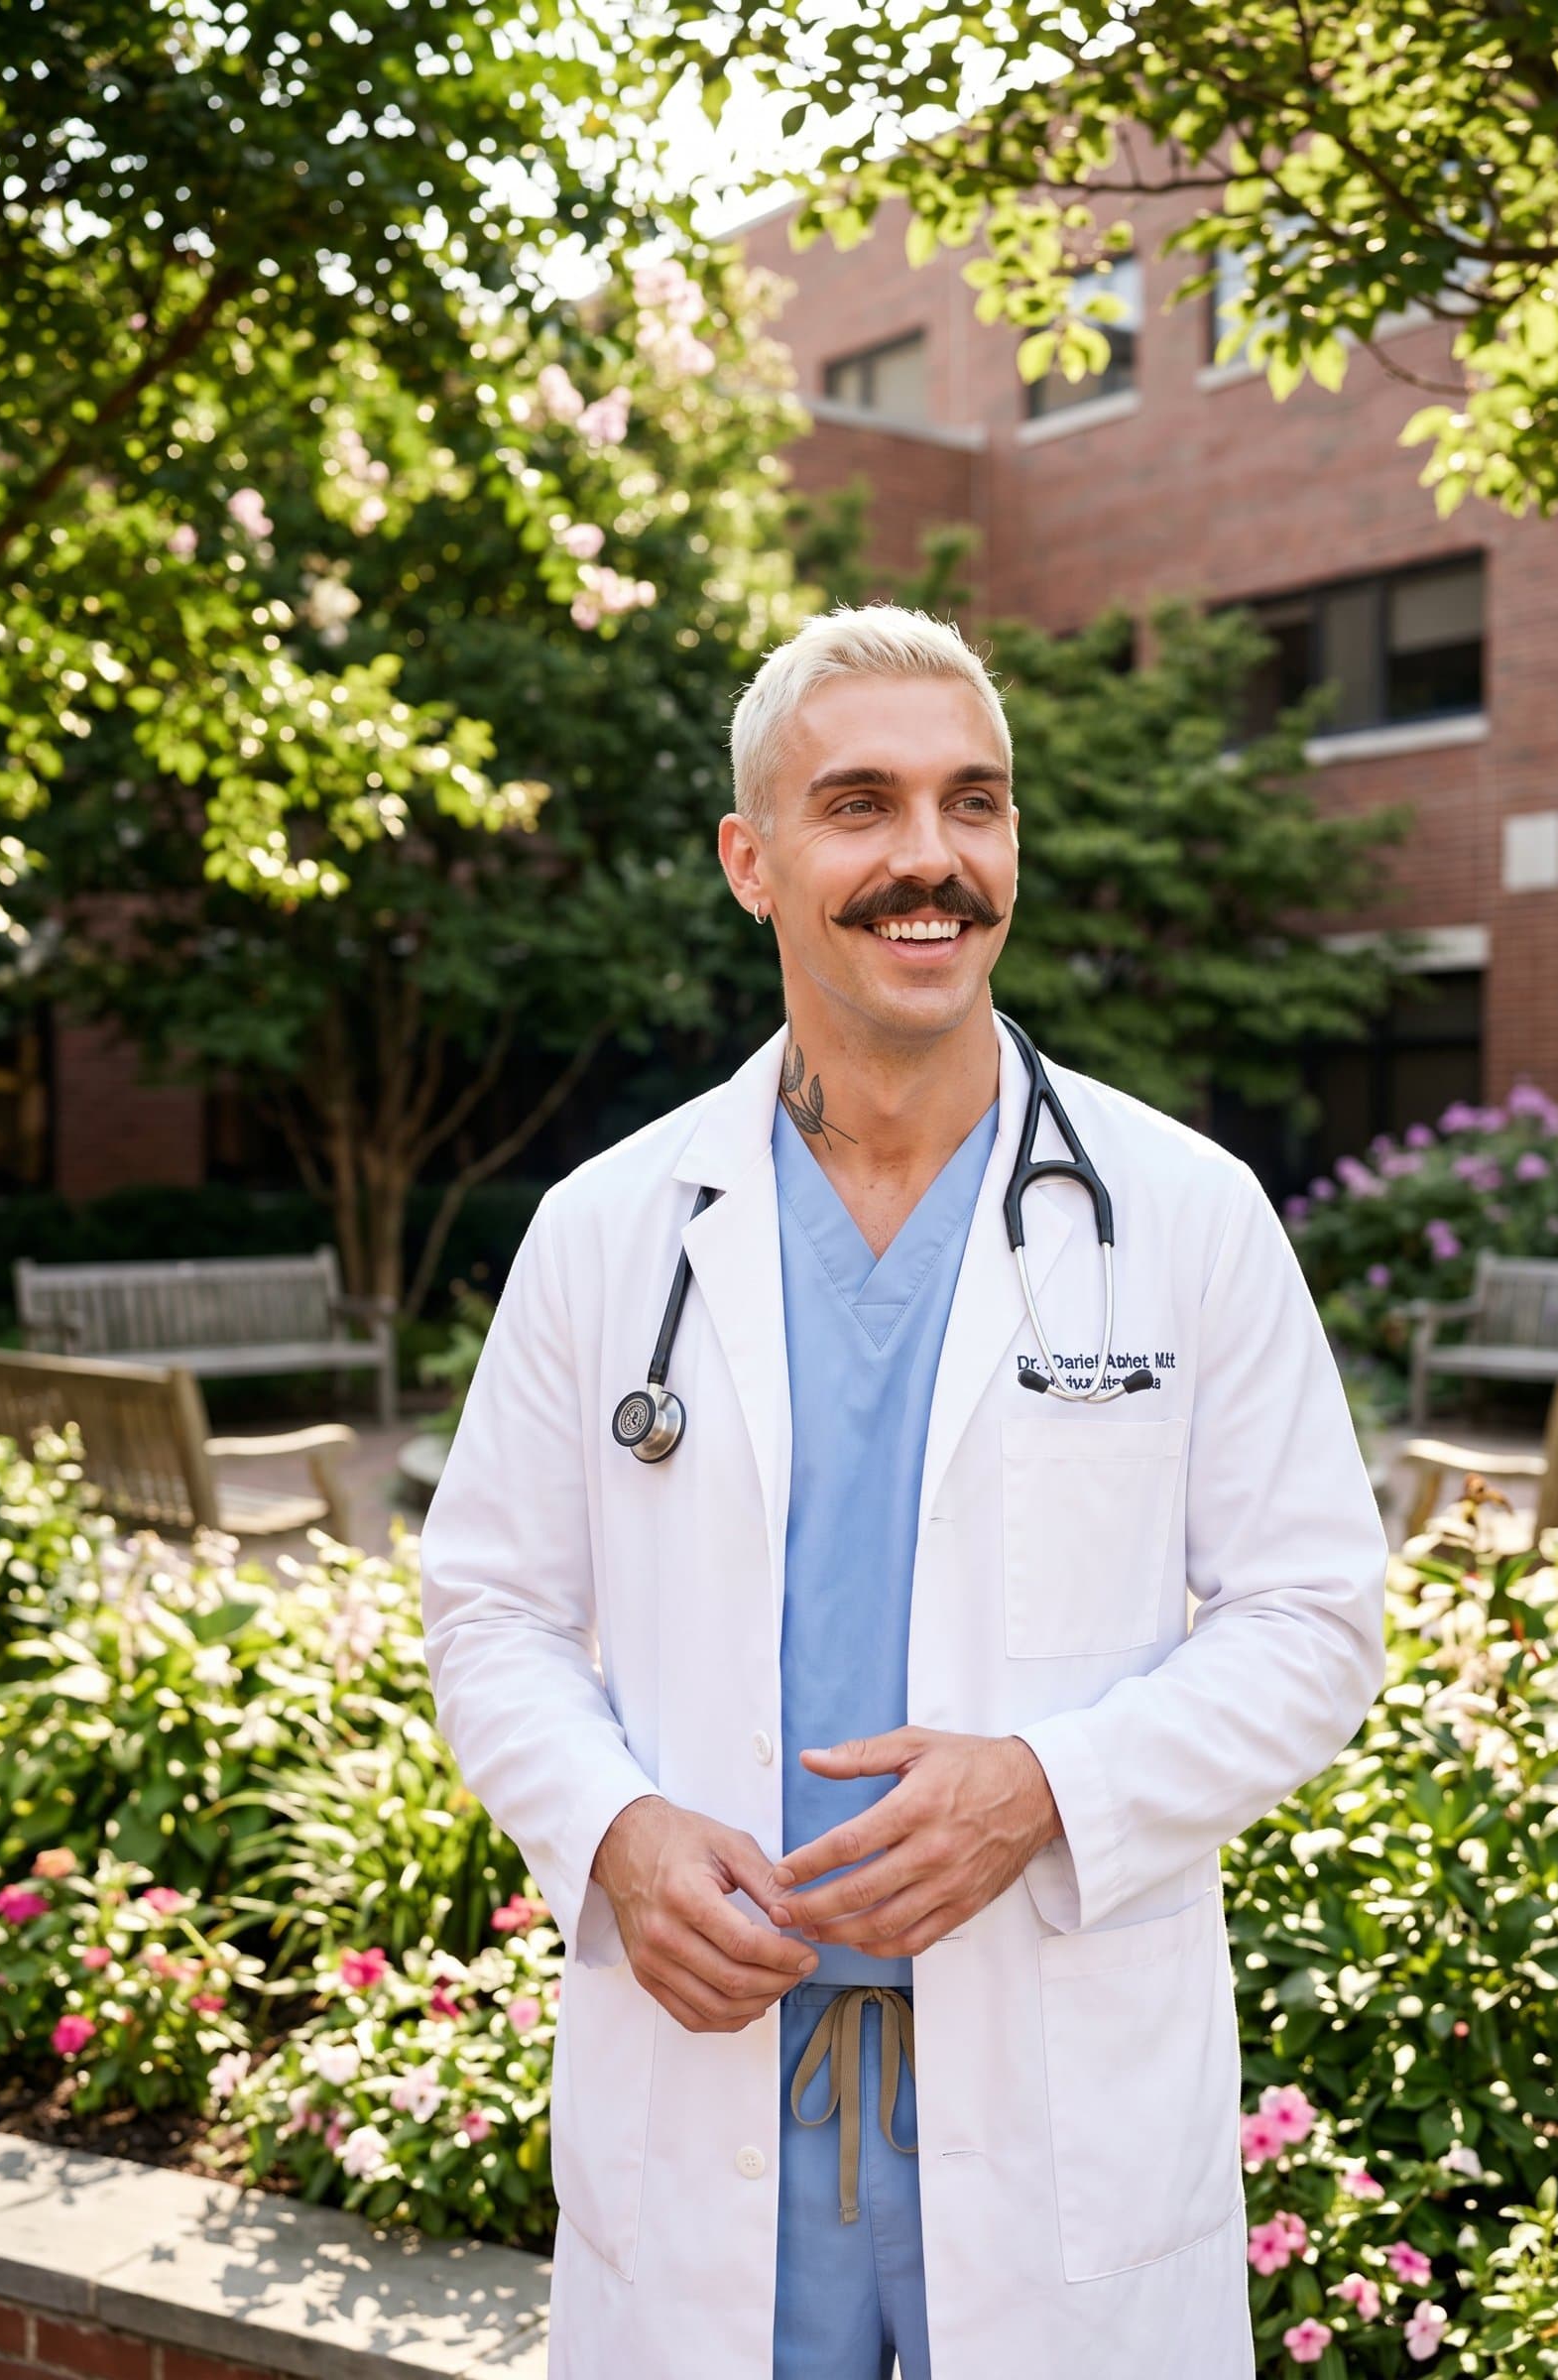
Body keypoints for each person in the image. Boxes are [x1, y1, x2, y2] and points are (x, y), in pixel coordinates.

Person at [419, 602, 1390, 2380]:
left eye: (975, 803)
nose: (929, 860)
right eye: (860, 806)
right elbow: (490, 1605)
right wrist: (614, 1835)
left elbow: (1319, 1614)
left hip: (1047, 2096)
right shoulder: (611, 1229)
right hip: (717, 2083)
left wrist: (1049, 1787)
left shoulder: (1183, 1214)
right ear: (752, 860)